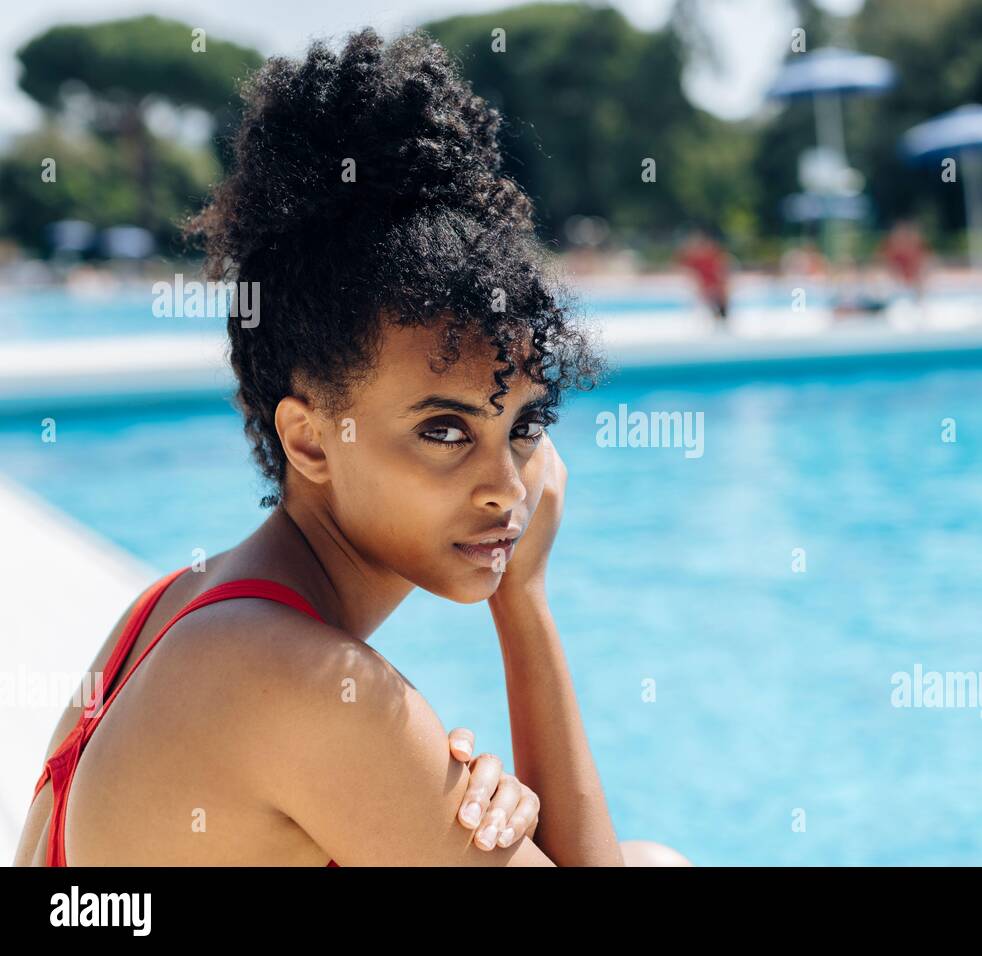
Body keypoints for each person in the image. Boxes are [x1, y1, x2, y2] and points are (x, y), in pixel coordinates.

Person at [14, 29, 690, 868]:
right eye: (444, 431)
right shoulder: (301, 685)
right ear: (309, 439)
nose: (506, 490)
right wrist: (525, 603)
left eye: (520, 425)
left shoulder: (168, 608)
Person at [677, 228, 731, 328]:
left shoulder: (713, 255)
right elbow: (684, 266)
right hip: (706, 285)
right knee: (712, 304)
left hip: (715, 284)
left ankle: (722, 318)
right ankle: (718, 319)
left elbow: (721, 268)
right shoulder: (695, 258)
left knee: (720, 302)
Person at [880, 219, 931, 300]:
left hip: (910, 274)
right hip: (902, 275)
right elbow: (887, 262)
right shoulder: (893, 248)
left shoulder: (914, 247)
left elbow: (923, 261)